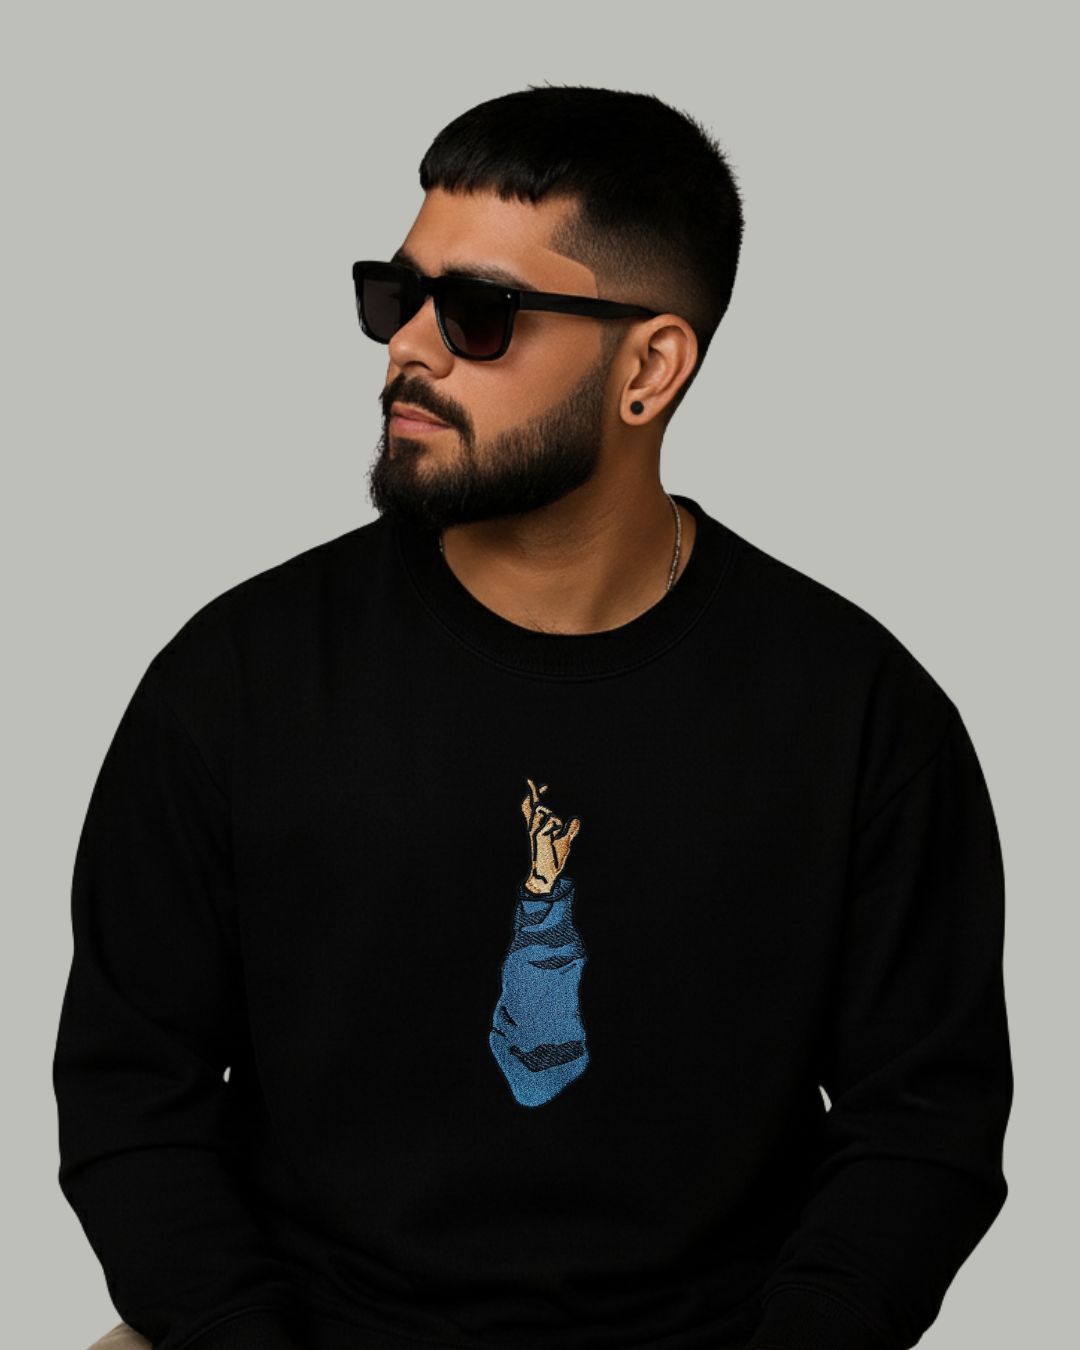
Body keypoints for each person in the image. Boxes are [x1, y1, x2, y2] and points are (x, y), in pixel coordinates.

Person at [56, 84, 1013, 1350]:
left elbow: (922, 1124)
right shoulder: (235, 681)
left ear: (649, 368)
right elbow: (134, 1095)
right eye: (396, 296)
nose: (409, 348)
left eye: (479, 313)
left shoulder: (861, 715)